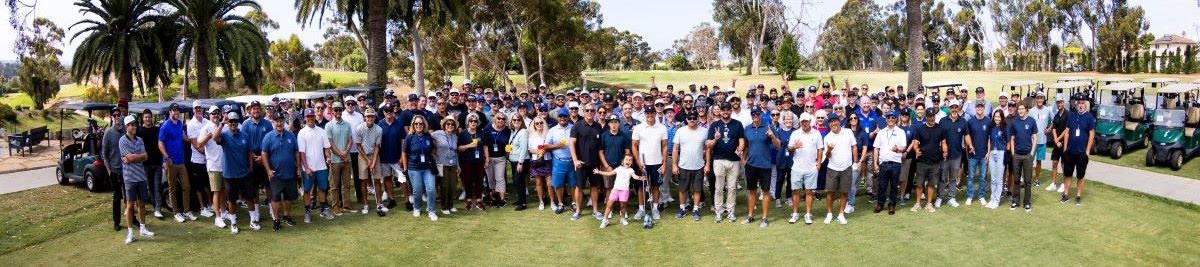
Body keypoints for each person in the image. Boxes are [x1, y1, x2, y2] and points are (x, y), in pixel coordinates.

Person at [213, 112, 255, 233]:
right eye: (231, 121)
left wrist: (251, 168)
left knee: (249, 198)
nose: (233, 124)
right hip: (230, 175)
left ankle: (253, 221)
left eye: (235, 121)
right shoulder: (225, 135)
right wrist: (222, 123)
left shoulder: (244, 135)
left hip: (245, 173)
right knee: (232, 200)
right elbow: (215, 138)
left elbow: (249, 153)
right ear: (228, 122)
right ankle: (234, 223)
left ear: (238, 122)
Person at [118, 114, 156, 244]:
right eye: (131, 125)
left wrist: (133, 157)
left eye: (135, 124)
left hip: (141, 176)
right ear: (126, 127)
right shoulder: (122, 140)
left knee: (142, 204)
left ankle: (143, 228)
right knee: (129, 206)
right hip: (129, 178)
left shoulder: (139, 140)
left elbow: (144, 156)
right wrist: (134, 157)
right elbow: (130, 157)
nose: (134, 127)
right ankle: (130, 233)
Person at [706, 102, 745, 223]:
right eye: (723, 109)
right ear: (720, 111)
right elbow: (708, 144)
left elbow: (741, 141)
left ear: (731, 111)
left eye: (728, 109)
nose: (725, 111)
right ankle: (718, 211)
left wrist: (740, 148)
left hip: (734, 161)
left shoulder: (737, 124)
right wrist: (716, 139)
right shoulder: (714, 125)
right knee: (718, 188)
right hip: (719, 160)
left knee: (732, 188)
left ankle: (730, 211)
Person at [742, 108, 780, 227]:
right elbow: (747, 146)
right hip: (751, 164)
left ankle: (764, 218)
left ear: (761, 114)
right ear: (751, 115)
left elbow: (778, 145)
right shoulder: (747, 129)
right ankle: (750, 216)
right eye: (753, 114)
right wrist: (744, 159)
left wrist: (772, 136)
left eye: (757, 114)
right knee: (752, 191)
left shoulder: (768, 127)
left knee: (765, 192)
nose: (755, 116)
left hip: (765, 165)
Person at [261, 116, 300, 231]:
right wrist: (268, 170)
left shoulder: (291, 135)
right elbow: (264, 154)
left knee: (289, 197)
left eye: (281, 121)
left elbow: (296, 152)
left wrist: (298, 167)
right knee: (275, 198)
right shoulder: (268, 137)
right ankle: (276, 219)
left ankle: (286, 216)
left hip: (290, 173)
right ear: (273, 122)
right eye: (277, 121)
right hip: (276, 174)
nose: (279, 123)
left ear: (284, 122)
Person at [631, 107, 667, 220]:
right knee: (641, 187)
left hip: (657, 162)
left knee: (656, 186)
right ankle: (641, 209)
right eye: (647, 113)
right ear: (645, 114)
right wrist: (638, 161)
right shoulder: (638, 128)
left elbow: (665, 146)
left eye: (652, 113)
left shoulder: (662, 128)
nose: (650, 115)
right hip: (642, 163)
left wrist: (664, 163)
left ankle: (655, 208)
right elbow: (634, 145)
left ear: (655, 113)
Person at [569, 103, 604, 221]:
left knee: (594, 187)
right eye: (587, 110)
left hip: (594, 163)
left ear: (594, 113)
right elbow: (571, 143)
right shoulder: (577, 126)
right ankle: (578, 211)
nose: (589, 112)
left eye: (591, 110)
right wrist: (575, 160)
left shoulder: (598, 126)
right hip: (581, 163)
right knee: (579, 187)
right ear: (583, 112)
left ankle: (595, 210)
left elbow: (600, 147)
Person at [298, 108, 334, 222]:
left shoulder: (321, 131)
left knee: (323, 188)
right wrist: (307, 167)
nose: (310, 118)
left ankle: (323, 209)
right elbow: (301, 152)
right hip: (308, 168)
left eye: (312, 116)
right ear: (305, 118)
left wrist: (328, 157)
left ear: (314, 117)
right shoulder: (302, 133)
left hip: (321, 166)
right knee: (307, 190)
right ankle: (307, 211)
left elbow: (326, 148)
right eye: (308, 117)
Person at [196, 106, 229, 229]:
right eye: (213, 113)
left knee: (224, 190)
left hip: (224, 163)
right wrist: (208, 136)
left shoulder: (223, 126)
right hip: (213, 164)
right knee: (216, 191)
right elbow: (199, 144)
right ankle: (217, 217)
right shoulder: (206, 128)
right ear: (209, 115)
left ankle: (224, 212)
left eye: (217, 113)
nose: (215, 115)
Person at [157, 104, 191, 222]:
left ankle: (186, 211)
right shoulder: (165, 126)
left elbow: (182, 136)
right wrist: (167, 157)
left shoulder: (180, 124)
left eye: (178, 111)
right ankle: (176, 213)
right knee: (172, 188)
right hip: (170, 162)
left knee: (186, 186)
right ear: (170, 112)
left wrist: (191, 140)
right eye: (174, 110)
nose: (176, 112)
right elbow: (160, 144)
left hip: (181, 161)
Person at [787, 115, 823, 224]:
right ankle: (795, 213)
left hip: (811, 167)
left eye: (806, 121)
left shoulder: (816, 133)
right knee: (796, 191)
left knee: (809, 191)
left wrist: (819, 163)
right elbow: (789, 148)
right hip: (797, 167)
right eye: (802, 122)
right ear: (800, 122)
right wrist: (794, 147)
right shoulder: (795, 133)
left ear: (810, 121)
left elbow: (820, 149)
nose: (804, 124)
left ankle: (808, 214)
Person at [673, 112, 709, 221]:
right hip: (684, 165)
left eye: (694, 118)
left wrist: (707, 164)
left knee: (697, 189)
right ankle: (682, 209)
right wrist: (674, 165)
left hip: (699, 166)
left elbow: (707, 149)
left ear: (698, 119)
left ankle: (696, 210)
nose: (692, 120)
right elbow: (675, 149)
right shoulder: (680, 131)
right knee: (683, 189)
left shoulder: (704, 131)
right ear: (686, 119)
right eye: (690, 118)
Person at [240, 101, 272, 225]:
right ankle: (256, 212)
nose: (256, 111)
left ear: (261, 110)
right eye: (253, 109)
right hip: (251, 156)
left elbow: (269, 141)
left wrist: (262, 157)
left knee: (268, 185)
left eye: (258, 108)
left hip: (265, 155)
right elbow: (244, 142)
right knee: (254, 187)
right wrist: (254, 156)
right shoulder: (246, 124)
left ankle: (271, 210)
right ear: (250, 111)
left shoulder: (267, 124)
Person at [402, 115, 438, 221]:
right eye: (416, 123)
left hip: (428, 167)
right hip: (414, 168)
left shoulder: (428, 136)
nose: (418, 125)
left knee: (431, 189)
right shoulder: (409, 137)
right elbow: (404, 153)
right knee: (417, 191)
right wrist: (405, 168)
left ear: (424, 124)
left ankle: (431, 211)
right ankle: (417, 207)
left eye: (420, 123)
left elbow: (432, 149)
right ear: (413, 125)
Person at [910, 108, 947, 212]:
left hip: (935, 161)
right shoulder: (920, 129)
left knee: (931, 184)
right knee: (919, 184)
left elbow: (943, 142)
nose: (931, 118)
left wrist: (945, 152)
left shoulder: (940, 129)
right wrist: (916, 150)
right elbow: (915, 142)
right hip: (922, 161)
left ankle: (929, 203)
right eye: (929, 116)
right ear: (926, 117)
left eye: (933, 116)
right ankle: (917, 203)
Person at [1061, 94, 1095, 206]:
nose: (1080, 105)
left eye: (1082, 103)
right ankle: (1065, 194)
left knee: (1080, 175)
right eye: (1079, 103)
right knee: (1068, 174)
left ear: (1085, 104)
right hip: (1070, 152)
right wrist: (1065, 148)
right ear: (1076, 104)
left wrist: (1087, 151)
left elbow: (1091, 134)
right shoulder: (1071, 116)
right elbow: (1067, 132)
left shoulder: (1089, 117)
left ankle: (1078, 195)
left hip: (1081, 153)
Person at [822, 118, 856, 225]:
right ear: (829, 124)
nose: (833, 124)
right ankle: (829, 214)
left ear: (839, 121)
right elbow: (827, 156)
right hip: (832, 168)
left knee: (844, 191)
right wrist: (829, 150)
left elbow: (854, 147)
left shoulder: (848, 132)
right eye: (831, 122)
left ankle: (841, 214)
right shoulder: (827, 137)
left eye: (835, 121)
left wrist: (855, 162)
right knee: (830, 192)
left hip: (846, 167)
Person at [593, 155, 643, 228]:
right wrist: (599, 172)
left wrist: (640, 178)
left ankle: (622, 219)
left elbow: (634, 176)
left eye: (630, 160)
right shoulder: (618, 169)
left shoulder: (631, 170)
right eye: (626, 160)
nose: (628, 161)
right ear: (622, 162)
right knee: (609, 205)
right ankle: (605, 220)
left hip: (624, 191)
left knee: (623, 206)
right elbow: (608, 174)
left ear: (631, 163)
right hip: (615, 190)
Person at [354, 108, 387, 216]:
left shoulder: (379, 129)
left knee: (377, 180)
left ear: (375, 117)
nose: (370, 118)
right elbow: (358, 146)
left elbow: (377, 147)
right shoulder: (359, 128)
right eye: (368, 116)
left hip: (374, 154)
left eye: (372, 116)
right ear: (365, 117)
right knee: (363, 181)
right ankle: (366, 204)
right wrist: (368, 160)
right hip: (362, 155)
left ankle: (379, 203)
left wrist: (373, 161)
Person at [873, 112, 906, 215]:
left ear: (896, 119)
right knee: (882, 185)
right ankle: (880, 204)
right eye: (888, 117)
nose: (890, 119)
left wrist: (898, 149)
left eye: (893, 117)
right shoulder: (881, 132)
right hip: (883, 163)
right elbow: (876, 148)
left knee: (894, 186)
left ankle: (891, 205)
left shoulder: (901, 132)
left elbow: (904, 148)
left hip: (895, 163)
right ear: (886, 119)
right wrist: (875, 163)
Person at [598, 114, 631, 218]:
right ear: (608, 124)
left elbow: (627, 152)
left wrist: (625, 165)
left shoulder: (623, 136)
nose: (614, 124)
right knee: (609, 189)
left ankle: (623, 210)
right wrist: (606, 165)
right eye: (611, 122)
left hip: (621, 168)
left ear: (619, 123)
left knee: (623, 189)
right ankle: (610, 209)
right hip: (608, 166)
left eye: (616, 122)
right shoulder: (604, 135)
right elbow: (600, 152)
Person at [325, 102, 354, 216]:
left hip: (347, 159)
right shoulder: (329, 125)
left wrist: (345, 152)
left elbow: (350, 140)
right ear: (332, 111)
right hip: (335, 160)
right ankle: (336, 207)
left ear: (342, 111)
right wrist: (340, 154)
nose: (337, 112)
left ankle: (346, 205)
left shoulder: (347, 124)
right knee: (334, 186)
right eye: (335, 110)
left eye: (339, 110)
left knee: (346, 184)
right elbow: (330, 143)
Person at [1008, 103, 1038, 212]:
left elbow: (1035, 137)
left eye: (1022, 109)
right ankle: (1015, 201)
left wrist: (1032, 153)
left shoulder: (1031, 121)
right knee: (1016, 180)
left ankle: (1027, 203)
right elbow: (1012, 138)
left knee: (1027, 181)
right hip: (1017, 155)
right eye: (1019, 109)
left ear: (1026, 110)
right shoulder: (1014, 122)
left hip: (1027, 156)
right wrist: (1012, 153)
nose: (1020, 111)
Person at [457, 113, 490, 211]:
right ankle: (469, 200)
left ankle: (479, 200)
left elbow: (485, 146)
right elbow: (459, 148)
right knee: (468, 181)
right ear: (468, 122)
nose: (473, 123)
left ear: (478, 122)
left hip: (479, 161)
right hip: (466, 161)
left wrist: (487, 160)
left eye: (475, 121)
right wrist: (469, 146)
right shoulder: (463, 133)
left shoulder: (481, 133)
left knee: (479, 181)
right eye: (471, 121)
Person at [938, 100, 968, 208]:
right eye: (952, 107)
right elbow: (939, 137)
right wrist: (943, 146)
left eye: (956, 107)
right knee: (942, 177)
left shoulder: (963, 121)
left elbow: (967, 136)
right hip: (944, 155)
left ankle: (951, 197)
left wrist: (971, 146)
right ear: (949, 108)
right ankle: (940, 197)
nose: (954, 109)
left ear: (958, 108)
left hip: (957, 154)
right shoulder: (943, 121)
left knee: (953, 178)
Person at [103, 106, 128, 231]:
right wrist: (109, 171)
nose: (117, 117)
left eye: (118, 115)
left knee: (129, 196)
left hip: (127, 170)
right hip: (115, 171)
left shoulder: (125, 130)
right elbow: (105, 154)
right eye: (114, 115)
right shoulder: (108, 133)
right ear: (112, 117)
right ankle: (116, 222)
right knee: (117, 197)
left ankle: (131, 219)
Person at [186, 102, 212, 220]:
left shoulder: (207, 121)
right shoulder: (191, 124)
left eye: (200, 108)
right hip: (197, 159)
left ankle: (210, 205)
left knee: (208, 184)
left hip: (208, 159)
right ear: (193, 110)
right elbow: (196, 145)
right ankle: (202, 208)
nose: (198, 110)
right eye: (196, 108)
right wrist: (208, 153)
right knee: (199, 186)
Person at [136, 109, 164, 219]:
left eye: (149, 117)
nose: (147, 119)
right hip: (145, 164)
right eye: (145, 117)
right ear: (143, 118)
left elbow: (161, 143)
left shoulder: (157, 130)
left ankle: (158, 209)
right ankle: (154, 206)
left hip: (157, 163)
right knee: (150, 187)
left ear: (151, 118)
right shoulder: (139, 131)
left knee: (157, 186)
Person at [377, 105, 405, 210]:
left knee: (402, 179)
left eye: (390, 110)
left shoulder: (399, 123)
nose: (389, 112)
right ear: (383, 112)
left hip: (397, 157)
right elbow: (377, 143)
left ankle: (407, 200)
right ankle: (391, 199)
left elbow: (403, 140)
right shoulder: (379, 124)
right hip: (384, 157)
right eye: (386, 111)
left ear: (393, 111)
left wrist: (402, 155)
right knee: (387, 179)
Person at [482, 113, 511, 207]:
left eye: (503, 119)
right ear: (495, 119)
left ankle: (502, 199)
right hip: (489, 157)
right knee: (490, 179)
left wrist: (507, 156)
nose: (501, 120)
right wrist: (486, 159)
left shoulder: (507, 130)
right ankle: (493, 197)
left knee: (500, 178)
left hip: (501, 158)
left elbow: (509, 145)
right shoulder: (487, 129)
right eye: (499, 118)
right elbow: (485, 145)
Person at [431, 117, 459, 214]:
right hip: (441, 164)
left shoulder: (455, 136)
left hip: (453, 164)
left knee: (452, 186)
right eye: (448, 124)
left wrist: (458, 166)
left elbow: (455, 152)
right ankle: (444, 207)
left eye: (452, 124)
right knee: (444, 186)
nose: (450, 125)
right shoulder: (437, 133)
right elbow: (426, 136)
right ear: (444, 125)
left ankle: (451, 205)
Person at [965, 103, 991, 206]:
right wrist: (968, 151)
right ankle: (970, 196)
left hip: (983, 155)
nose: (979, 109)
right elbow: (967, 137)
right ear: (975, 108)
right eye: (978, 107)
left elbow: (989, 138)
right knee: (971, 177)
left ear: (984, 108)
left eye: (981, 107)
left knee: (982, 177)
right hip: (973, 155)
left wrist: (988, 152)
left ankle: (981, 196)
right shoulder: (970, 122)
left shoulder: (988, 121)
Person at [526, 117, 553, 211]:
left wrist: (545, 149)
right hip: (536, 161)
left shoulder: (548, 134)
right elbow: (529, 149)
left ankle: (552, 202)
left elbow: (551, 147)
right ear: (534, 125)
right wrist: (538, 151)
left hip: (547, 159)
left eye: (541, 123)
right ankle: (541, 202)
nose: (539, 125)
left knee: (549, 183)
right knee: (538, 183)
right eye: (537, 123)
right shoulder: (531, 136)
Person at [1028, 92, 1053, 187]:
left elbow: (1055, 120)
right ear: (1036, 99)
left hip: (1042, 140)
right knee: (1030, 161)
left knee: (1039, 161)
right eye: (1038, 98)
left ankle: (1037, 179)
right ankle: (1028, 178)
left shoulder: (1048, 110)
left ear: (1044, 99)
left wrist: (1049, 129)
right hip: (1032, 141)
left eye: (1041, 98)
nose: (1039, 100)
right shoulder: (1031, 111)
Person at [985, 110, 1008, 209]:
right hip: (992, 153)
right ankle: (992, 199)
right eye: (995, 116)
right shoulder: (992, 127)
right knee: (993, 179)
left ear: (1002, 118)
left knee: (999, 179)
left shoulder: (1005, 128)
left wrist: (1007, 154)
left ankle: (997, 200)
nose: (997, 118)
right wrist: (988, 152)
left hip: (1001, 153)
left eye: (999, 117)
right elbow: (990, 140)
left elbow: (1008, 142)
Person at [507, 115, 531, 210]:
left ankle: (523, 203)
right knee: (517, 181)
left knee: (519, 181)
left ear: (522, 121)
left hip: (521, 161)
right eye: (514, 120)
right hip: (513, 160)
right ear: (511, 121)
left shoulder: (523, 132)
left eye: (518, 120)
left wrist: (520, 163)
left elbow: (524, 148)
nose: (516, 121)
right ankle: (520, 199)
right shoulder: (513, 131)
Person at [1047, 97, 1069, 193]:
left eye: (1060, 102)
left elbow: (1067, 129)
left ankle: (1064, 184)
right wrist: (1056, 140)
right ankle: (1053, 183)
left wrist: (1058, 139)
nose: (1059, 104)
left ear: (1063, 103)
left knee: (1064, 164)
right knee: (1054, 163)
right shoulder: (1056, 115)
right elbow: (1054, 128)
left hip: (1065, 143)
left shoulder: (1068, 114)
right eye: (1057, 103)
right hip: (1057, 143)